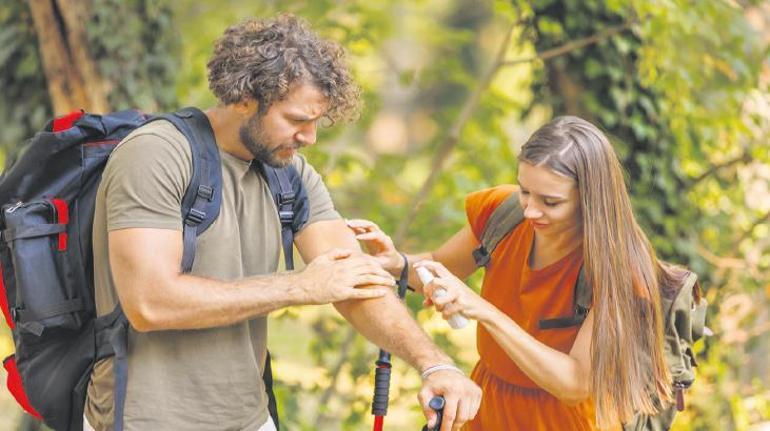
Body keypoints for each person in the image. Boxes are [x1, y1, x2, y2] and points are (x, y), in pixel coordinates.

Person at [84, 14, 480, 431]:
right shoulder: (157, 155)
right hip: (144, 421)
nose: (309, 136)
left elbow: (355, 281)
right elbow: (149, 303)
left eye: (316, 122)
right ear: (244, 98)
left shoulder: (289, 173)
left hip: (251, 419)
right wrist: (299, 286)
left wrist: (435, 365)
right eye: (296, 120)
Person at [349, 116, 687, 430]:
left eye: (550, 202)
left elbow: (575, 383)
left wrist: (485, 312)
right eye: (525, 191)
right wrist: (398, 263)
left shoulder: (619, 266)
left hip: (561, 420)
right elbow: (441, 263)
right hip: (485, 405)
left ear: (590, 199)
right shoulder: (503, 214)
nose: (531, 210)